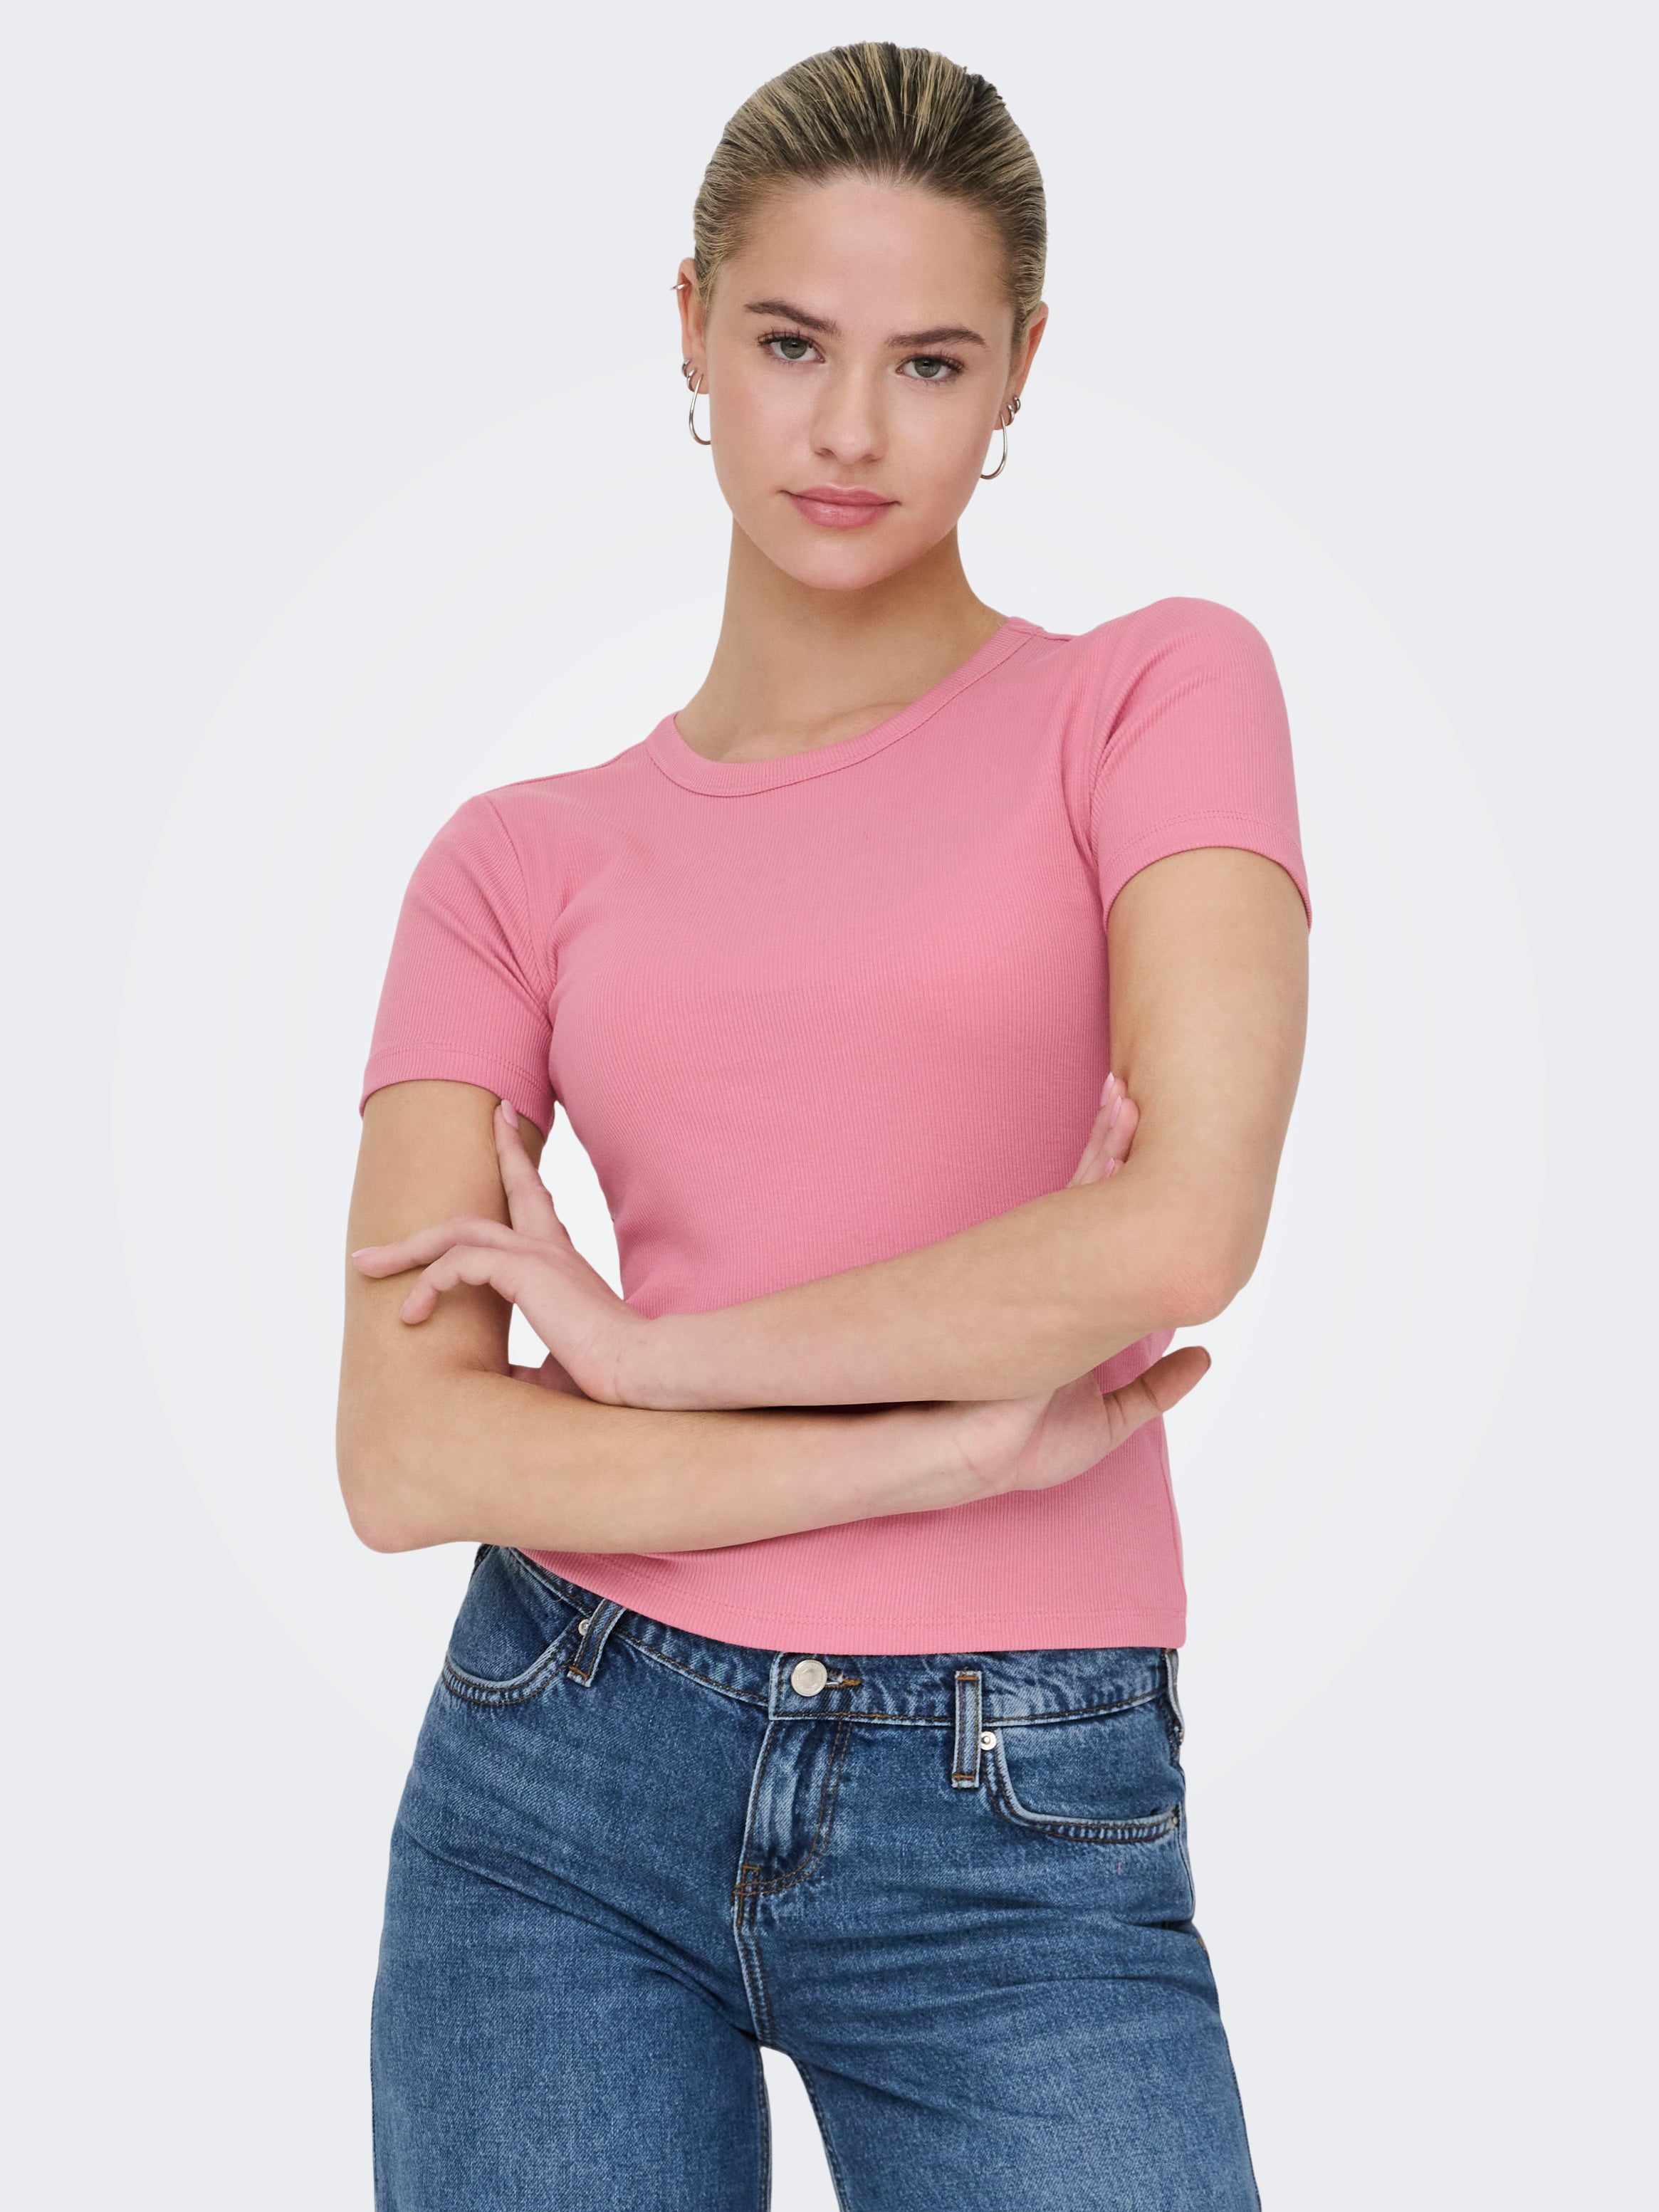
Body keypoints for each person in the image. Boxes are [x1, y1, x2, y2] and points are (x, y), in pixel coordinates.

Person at [340, 41, 1309, 2211]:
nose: (851, 429)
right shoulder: (511, 862)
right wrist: (937, 1450)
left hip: (1016, 1800)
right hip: (557, 1775)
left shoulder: (1151, 698)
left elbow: (1181, 1228)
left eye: (928, 361)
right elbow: (404, 1451)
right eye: (790, 343)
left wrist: (653, 1354)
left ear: (1020, 367)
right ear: (690, 325)